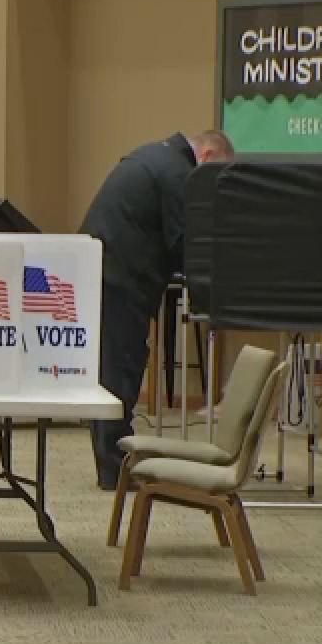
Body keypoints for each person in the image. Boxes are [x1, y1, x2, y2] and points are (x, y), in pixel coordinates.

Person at [78, 130, 235, 490]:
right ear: (208, 157)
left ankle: (113, 459)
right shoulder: (179, 174)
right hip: (120, 275)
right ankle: (115, 469)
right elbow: (185, 243)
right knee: (120, 368)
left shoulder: (155, 155)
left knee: (112, 365)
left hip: (100, 266)